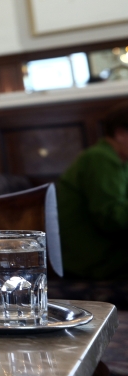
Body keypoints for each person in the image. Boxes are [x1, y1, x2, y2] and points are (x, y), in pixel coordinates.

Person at [57, 101, 128, 280]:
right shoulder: (100, 158)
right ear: (120, 134)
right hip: (91, 259)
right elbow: (111, 219)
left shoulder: (118, 160)